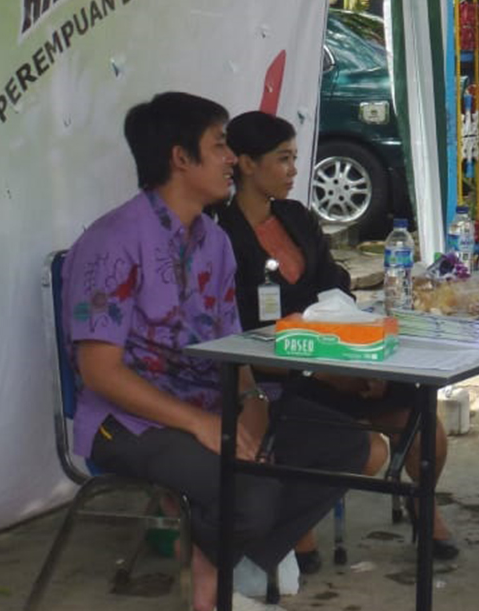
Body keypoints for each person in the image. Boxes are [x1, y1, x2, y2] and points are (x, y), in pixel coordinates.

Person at [63, 92, 370, 611]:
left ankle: (215, 564)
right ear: (181, 158)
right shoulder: (112, 240)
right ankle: (212, 579)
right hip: (129, 421)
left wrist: (251, 404)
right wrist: (200, 424)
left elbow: (230, 344)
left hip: (209, 403)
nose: (232, 158)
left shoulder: (213, 240)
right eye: (220, 145)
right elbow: (99, 373)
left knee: (343, 447)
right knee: (248, 493)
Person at [215, 110, 458, 562]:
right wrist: (322, 365)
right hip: (279, 367)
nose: (292, 171)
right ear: (246, 164)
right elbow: (242, 326)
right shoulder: (221, 234)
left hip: (336, 351)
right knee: (363, 448)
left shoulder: (295, 216)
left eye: (294, 159)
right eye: (282, 159)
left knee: (419, 408)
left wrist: (352, 348)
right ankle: (296, 528)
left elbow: (334, 281)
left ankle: (424, 505)